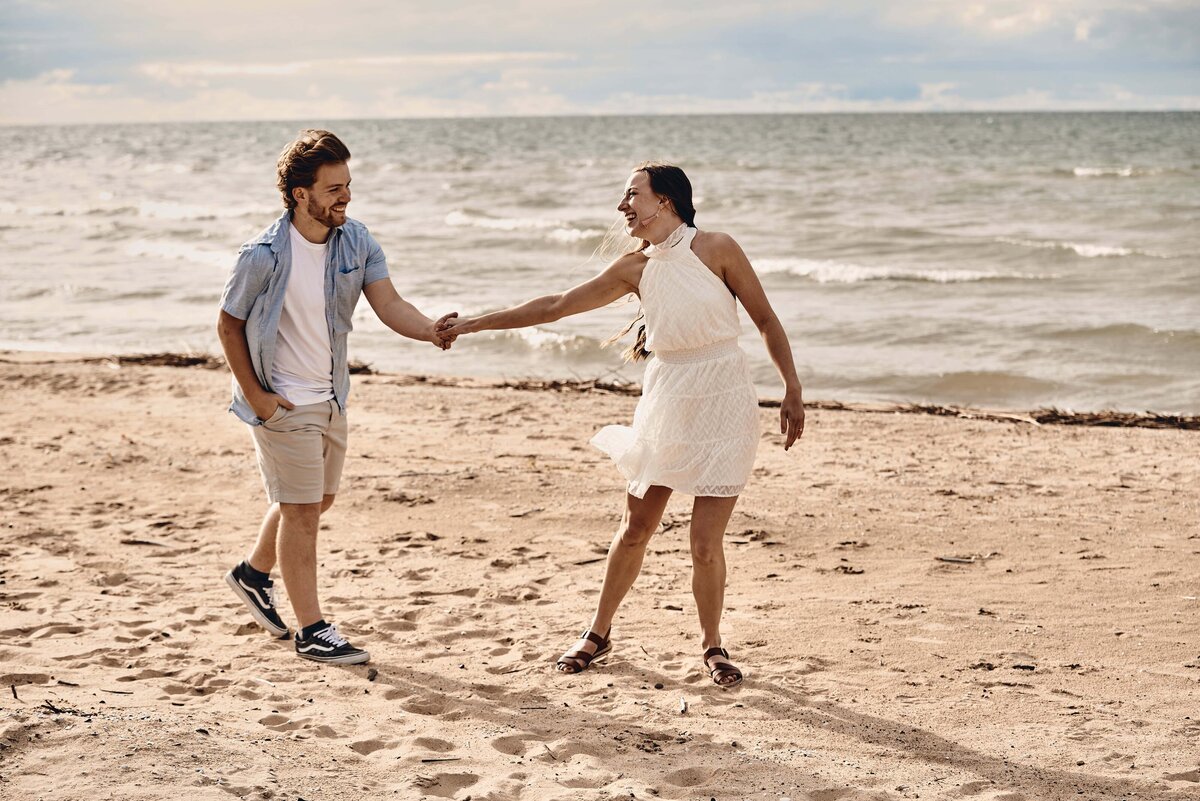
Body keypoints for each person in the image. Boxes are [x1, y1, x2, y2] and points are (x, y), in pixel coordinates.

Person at [440, 162, 804, 686]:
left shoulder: (719, 248)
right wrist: (474, 323)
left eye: (631, 194)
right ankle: (598, 632)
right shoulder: (635, 268)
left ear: (666, 202)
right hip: (668, 398)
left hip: (726, 400)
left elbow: (766, 319)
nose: (621, 205)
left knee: (705, 543)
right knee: (637, 527)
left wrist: (791, 386)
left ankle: (713, 645)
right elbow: (556, 306)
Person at [217, 129, 456, 665]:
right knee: (302, 512)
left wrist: (429, 330)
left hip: (331, 395)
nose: (345, 197)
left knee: (315, 502)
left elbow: (390, 303)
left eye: (347, 185)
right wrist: (258, 397)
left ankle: (253, 574)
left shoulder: (356, 240)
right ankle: (312, 631)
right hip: (281, 401)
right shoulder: (262, 255)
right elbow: (228, 326)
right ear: (301, 194)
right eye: (333, 189)